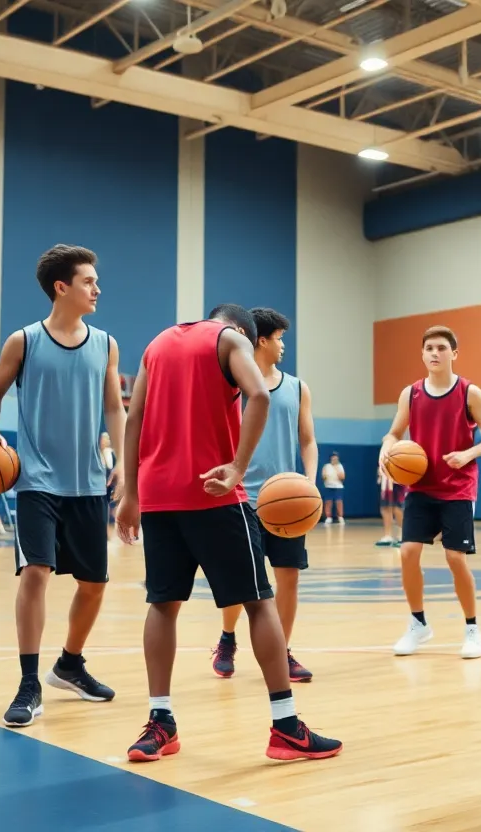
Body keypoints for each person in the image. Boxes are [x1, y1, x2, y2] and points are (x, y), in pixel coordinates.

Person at [115, 304, 341, 763]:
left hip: (158, 495)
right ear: (241, 330)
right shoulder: (230, 339)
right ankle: (286, 727)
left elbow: (132, 417)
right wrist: (239, 466)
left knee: (162, 604)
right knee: (259, 602)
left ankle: (160, 724)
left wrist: (130, 494)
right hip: (215, 493)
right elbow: (259, 396)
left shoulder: (157, 343)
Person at [0, 244, 126, 728]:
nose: (98, 289)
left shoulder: (106, 343)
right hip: (36, 480)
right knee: (35, 572)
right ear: (62, 287)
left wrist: (123, 460)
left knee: (95, 584)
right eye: (88, 281)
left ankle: (70, 664)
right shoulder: (24, 341)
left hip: (87, 482)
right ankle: (29, 682)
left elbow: (114, 408)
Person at [211, 307, 319, 684]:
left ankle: (282, 650)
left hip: (287, 498)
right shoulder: (233, 386)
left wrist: (309, 480)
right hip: (241, 498)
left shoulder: (297, 387)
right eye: (279, 339)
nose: (283, 345)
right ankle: (227, 639)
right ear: (261, 340)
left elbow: (307, 440)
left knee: (288, 577)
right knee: (244, 581)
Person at [379, 325, 481, 660]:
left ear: (454, 354)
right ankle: (418, 624)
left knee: (455, 558)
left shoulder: (469, 393)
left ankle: (472, 628)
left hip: (457, 487)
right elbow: (394, 433)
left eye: (442, 348)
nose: (435, 353)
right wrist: (386, 450)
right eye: (429, 348)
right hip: (421, 486)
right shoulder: (410, 394)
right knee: (407, 552)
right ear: (423, 354)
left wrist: (467, 454)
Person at [376, 468, 404, 547]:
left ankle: (404, 536)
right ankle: (388, 536)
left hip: (395, 477)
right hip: (387, 477)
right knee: (385, 507)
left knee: (396, 507)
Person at [320, 452, 345, 524]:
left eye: (336, 457)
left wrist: (336, 469)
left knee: (339, 502)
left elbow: (342, 477)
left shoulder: (340, 466)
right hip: (328, 486)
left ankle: (340, 517)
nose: (334, 458)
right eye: (333, 457)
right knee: (328, 502)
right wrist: (324, 476)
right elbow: (323, 476)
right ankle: (328, 517)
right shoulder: (326, 466)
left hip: (338, 487)